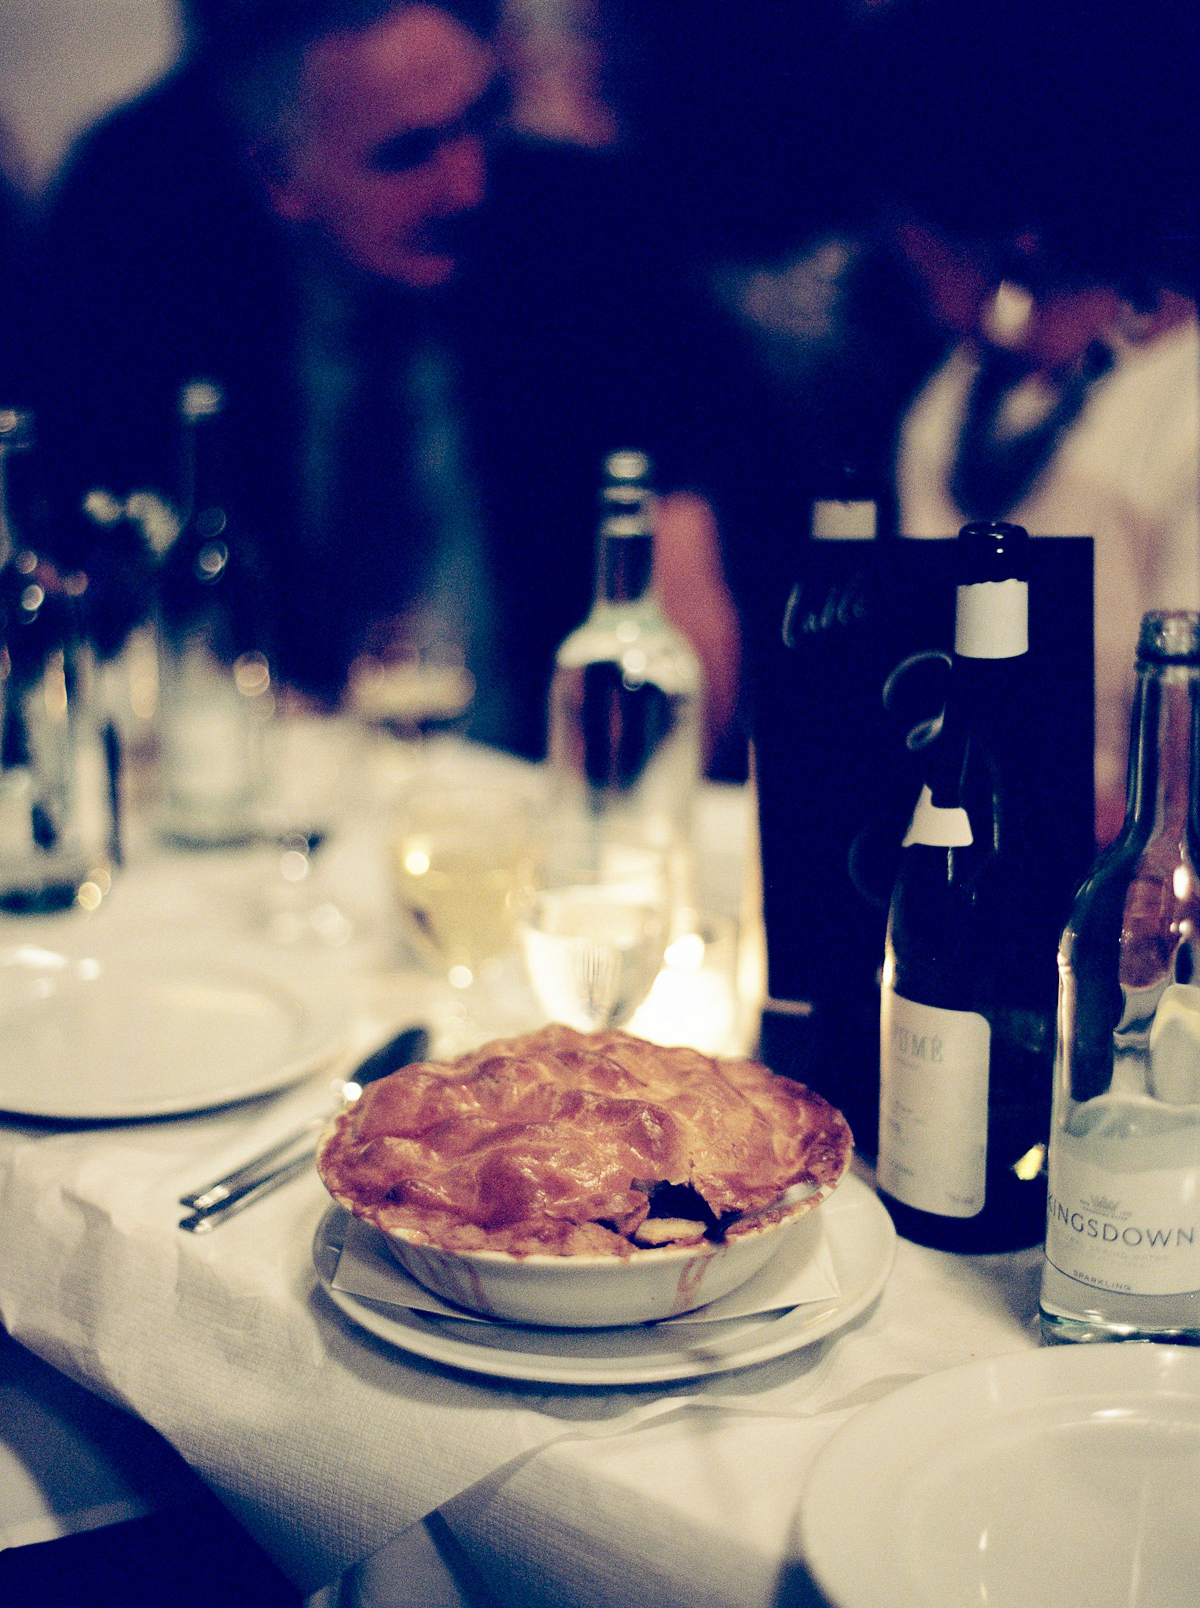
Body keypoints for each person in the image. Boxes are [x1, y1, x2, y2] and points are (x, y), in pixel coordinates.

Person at [31, 0, 748, 763]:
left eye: (479, 120)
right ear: (278, 175)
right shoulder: (138, 243)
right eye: (407, 155)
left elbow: (684, 608)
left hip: (523, 799)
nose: (467, 184)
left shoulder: (582, 239)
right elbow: (73, 550)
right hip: (260, 787)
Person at [857, 0, 1200, 843]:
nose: (898, 250)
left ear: (1019, 239)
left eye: (919, 231)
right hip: (956, 852)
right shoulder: (959, 397)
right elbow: (916, 678)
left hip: (1114, 890)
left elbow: (1176, 776)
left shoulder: (1177, 405)